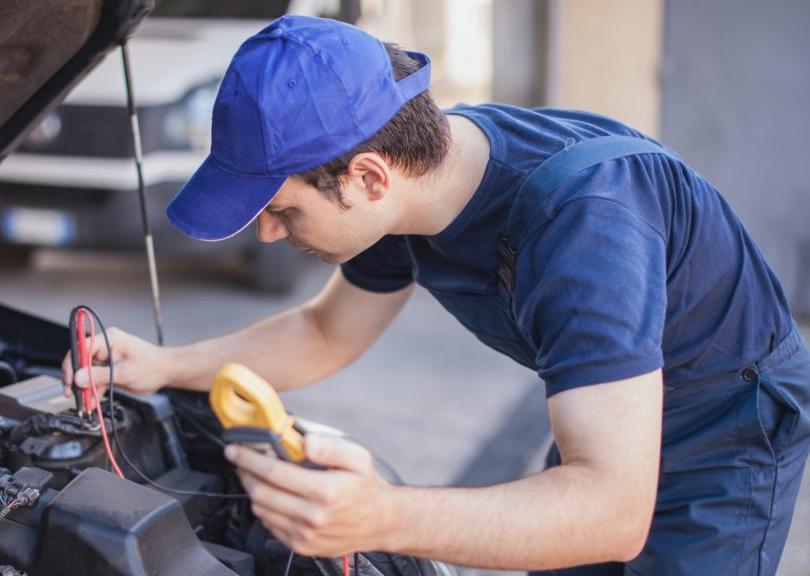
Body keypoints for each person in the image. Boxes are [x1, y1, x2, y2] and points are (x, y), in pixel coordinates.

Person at [61, 15, 810, 575]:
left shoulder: (585, 227)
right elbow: (328, 333)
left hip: (725, 426)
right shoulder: (413, 190)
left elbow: (612, 511)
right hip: (613, 406)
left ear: (369, 177)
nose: (268, 234)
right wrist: (163, 363)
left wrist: (383, 515)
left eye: (282, 210)